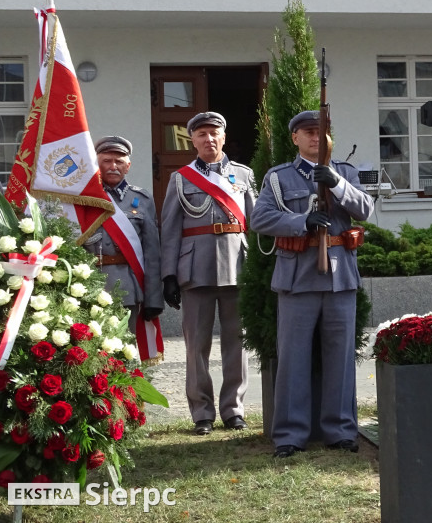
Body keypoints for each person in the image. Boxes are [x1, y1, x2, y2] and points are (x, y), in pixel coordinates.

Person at [250, 110, 374, 459]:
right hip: (297, 277)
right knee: (293, 358)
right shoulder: (279, 177)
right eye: (308, 132)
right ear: (295, 138)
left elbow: (365, 208)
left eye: (321, 132)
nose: (315, 138)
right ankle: (290, 434)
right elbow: (259, 218)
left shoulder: (345, 173)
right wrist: (300, 220)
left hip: (339, 277)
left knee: (341, 357)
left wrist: (335, 182)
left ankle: (341, 431)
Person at [160, 111, 256, 435]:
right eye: (201, 134)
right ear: (193, 140)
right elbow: (170, 229)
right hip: (195, 269)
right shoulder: (180, 179)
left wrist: (259, 268)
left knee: (236, 343)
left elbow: (255, 225)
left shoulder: (244, 176)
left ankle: (233, 409)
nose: (208, 139)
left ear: (224, 137)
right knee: (196, 346)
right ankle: (202, 411)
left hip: (237, 268)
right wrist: (168, 275)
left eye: (214, 133)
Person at [83, 135, 162, 334]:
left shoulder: (141, 199)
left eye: (119, 161)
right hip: (90, 285)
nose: (113, 166)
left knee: (127, 351)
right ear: (97, 163)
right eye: (107, 161)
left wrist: (153, 297)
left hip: (128, 287)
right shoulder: (83, 199)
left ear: (127, 166)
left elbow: (152, 253)